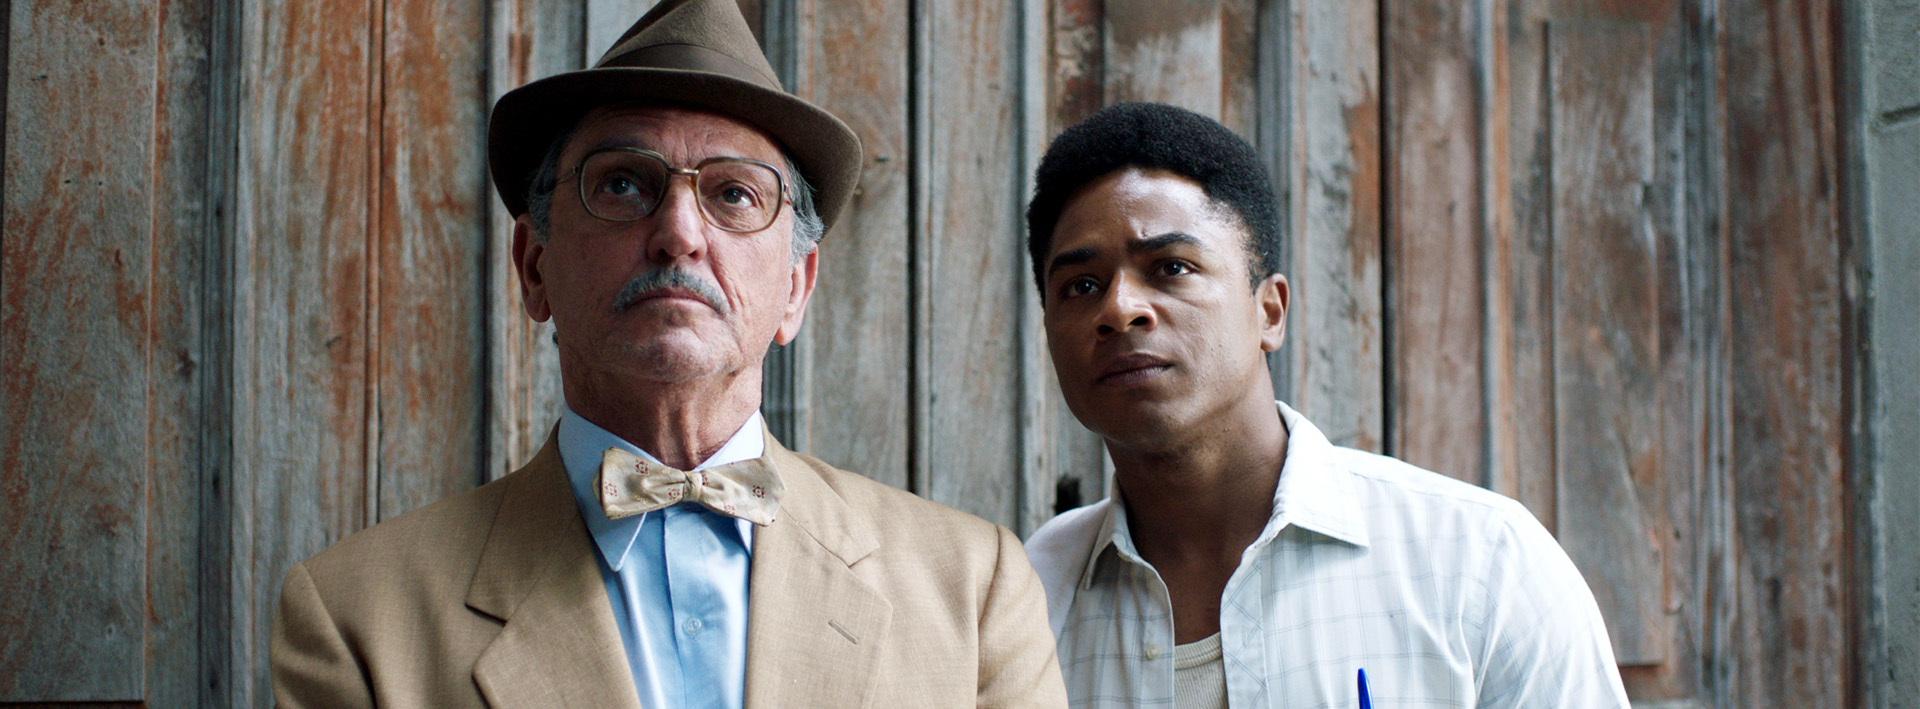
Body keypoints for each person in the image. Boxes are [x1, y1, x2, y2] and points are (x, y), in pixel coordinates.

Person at [269, 1, 1066, 706]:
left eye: (733, 193)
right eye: (622, 184)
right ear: (534, 267)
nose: (680, 232)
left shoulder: (973, 588)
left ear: (795, 288)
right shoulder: (354, 618)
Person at [1021, 102, 1630, 708]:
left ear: (1270, 310)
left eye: (1171, 267)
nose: (1120, 309)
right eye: (1080, 286)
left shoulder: (1479, 564)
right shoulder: (1030, 596)